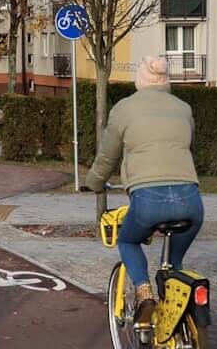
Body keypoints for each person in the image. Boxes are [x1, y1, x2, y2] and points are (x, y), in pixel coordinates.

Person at [84, 56, 202, 324]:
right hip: (191, 200)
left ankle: (144, 294)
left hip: (149, 199)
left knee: (127, 240)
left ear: (140, 80)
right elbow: (192, 150)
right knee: (174, 265)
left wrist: (94, 182)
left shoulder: (125, 109)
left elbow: (107, 156)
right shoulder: (183, 108)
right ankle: (176, 318)